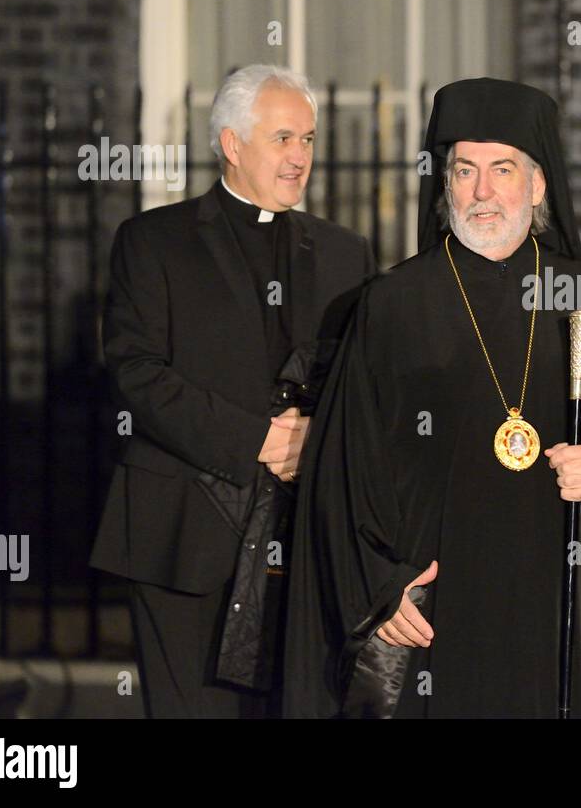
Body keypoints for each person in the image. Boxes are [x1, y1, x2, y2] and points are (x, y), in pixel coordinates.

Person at [283, 78, 581, 718]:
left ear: (537, 186)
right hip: (431, 607)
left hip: (548, 607)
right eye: (465, 170)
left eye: (503, 169)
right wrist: (379, 587)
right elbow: (341, 469)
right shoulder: (391, 305)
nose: (482, 191)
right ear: (444, 183)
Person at [90, 65, 376, 717]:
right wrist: (259, 440)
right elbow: (137, 375)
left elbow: (365, 382)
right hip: (183, 540)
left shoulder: (345, 253)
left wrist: (316, 437)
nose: (299, 155)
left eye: (307, 139)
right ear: (231, 142)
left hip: (304, 544)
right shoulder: (152, 242)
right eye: (282, 138)